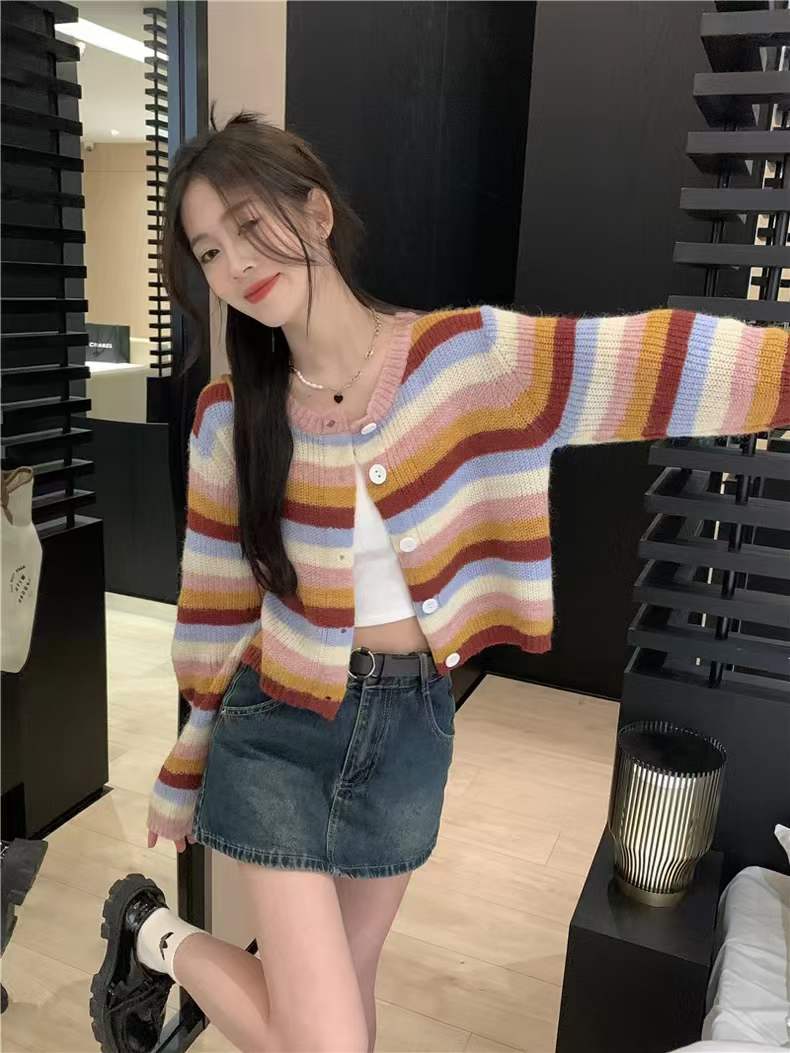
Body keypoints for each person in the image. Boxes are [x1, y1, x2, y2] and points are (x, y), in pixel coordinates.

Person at [90, 106, 790, 1053]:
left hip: (409, 727)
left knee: (348, 997)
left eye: (250, 225)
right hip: (276, 728)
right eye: (209, 251)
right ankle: (156, 935)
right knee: (330, 1042)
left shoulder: (468, 361)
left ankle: (150, 935)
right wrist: (184, 766)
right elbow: (216, 612)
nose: (235, 264)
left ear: (317, 214)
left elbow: (648, 365)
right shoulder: (232, 417)